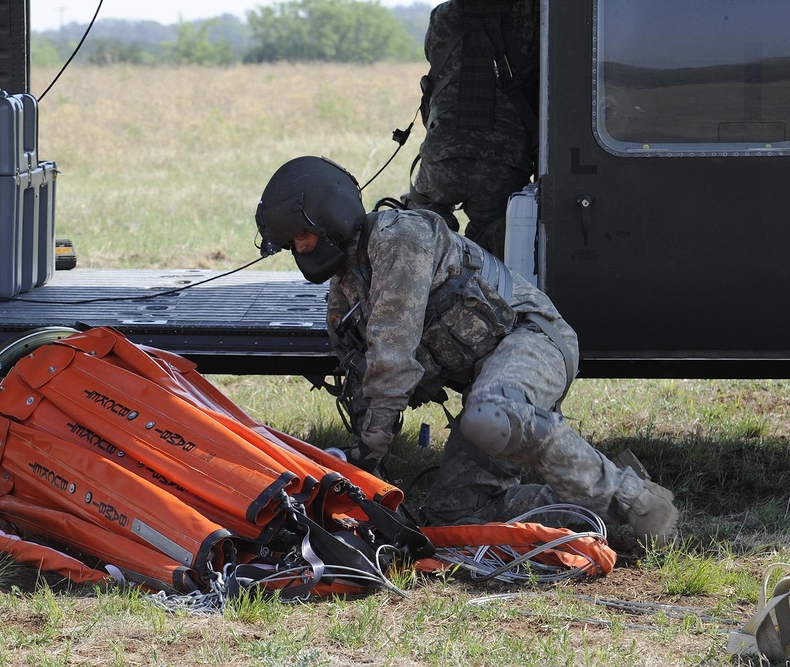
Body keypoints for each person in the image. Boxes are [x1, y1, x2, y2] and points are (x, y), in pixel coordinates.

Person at [255, 156, 679, 546]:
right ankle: (597, 511)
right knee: (454, 517)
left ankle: (638, 502)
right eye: (293, 242)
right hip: (482, 376)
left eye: (303, 235)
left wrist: (368, 453)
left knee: (489, 415)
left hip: (532, 338)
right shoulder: (346, 288)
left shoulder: (401, 239)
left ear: (330, 217)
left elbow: (391, 354)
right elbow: (363, 375)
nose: (300, 249)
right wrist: (361, 471)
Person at [404, 0, 539, 257]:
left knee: (425, 223)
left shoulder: (443, 15)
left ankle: (432, 270)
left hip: (442, 156)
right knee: (496, 232)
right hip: (502, 161)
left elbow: (435, 60)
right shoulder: (531, 14)